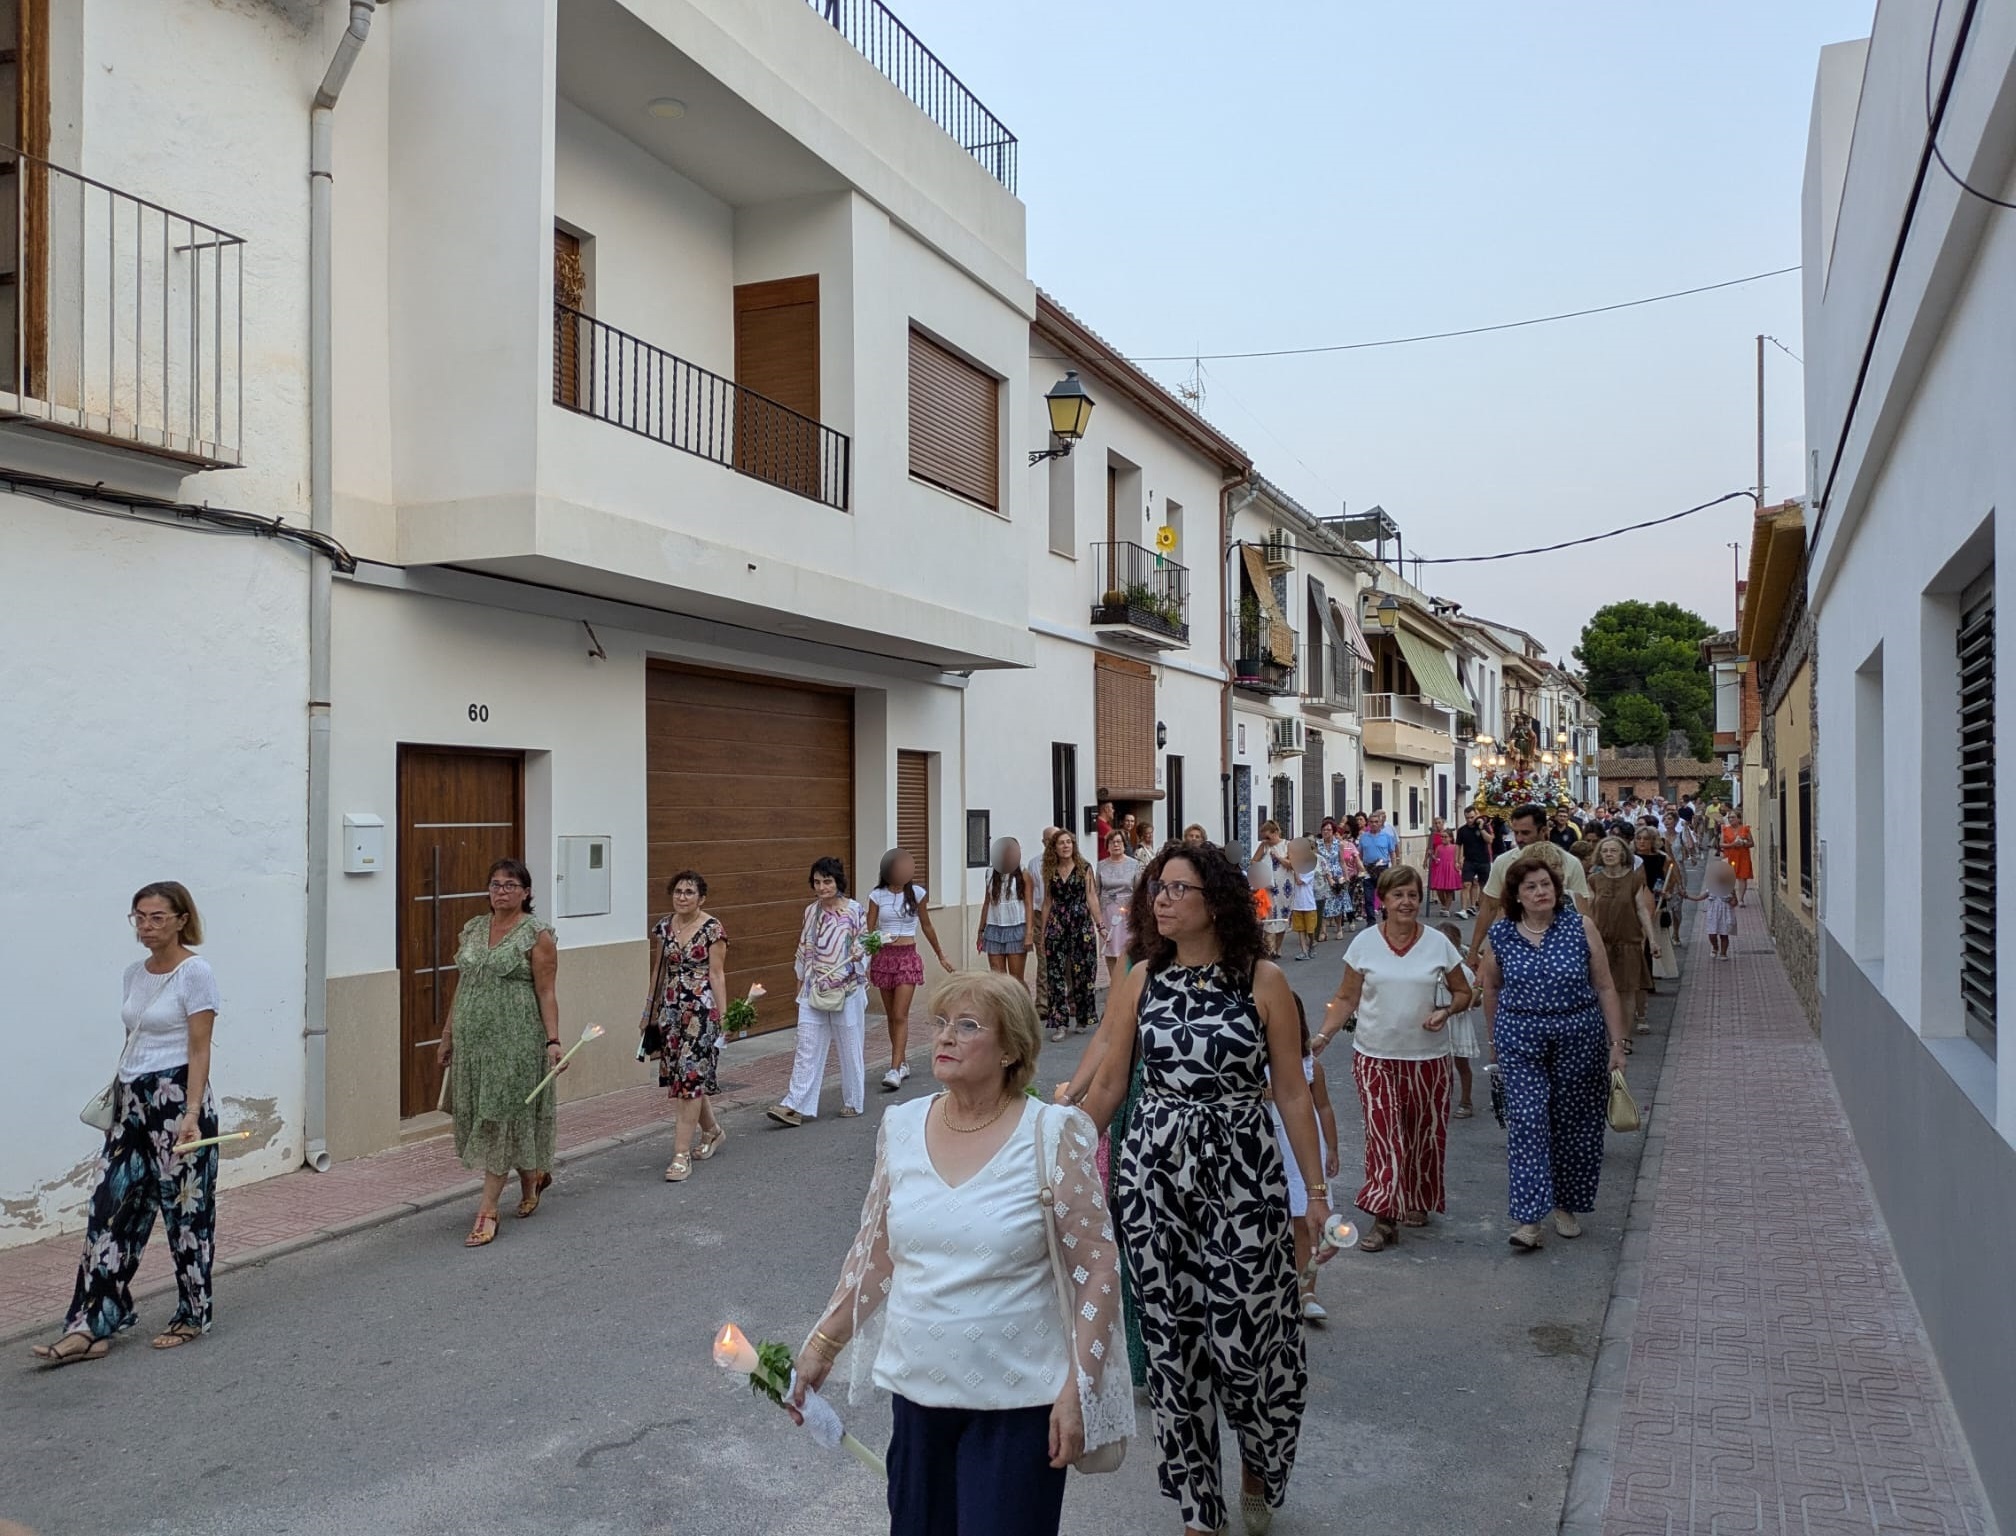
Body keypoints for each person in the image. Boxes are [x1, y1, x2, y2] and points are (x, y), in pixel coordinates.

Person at [790, 973, 1133, 1536]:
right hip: (918, 1396)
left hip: (1019, 1403)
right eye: (942, 1022)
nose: (946, 1036)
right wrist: (822, 1345)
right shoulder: (902, 1125)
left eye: (968, 1025)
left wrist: (1079, 1388)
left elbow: (1098, 1268)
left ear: (1010, 1049)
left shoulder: (1052, 1134)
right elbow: (878, 1253)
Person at [1075, 842, 1326, 1536]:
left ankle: (1257, 1465)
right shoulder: (1141, 978)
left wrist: (1315, 1190)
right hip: (1153, 1179)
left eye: (1177, 888)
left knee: (1246, 1345)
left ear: (1215, 902)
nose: (1161, 899)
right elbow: (1110, 1083)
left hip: (1244, 1179)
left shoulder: (1263, 980)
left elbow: (1292, 1092)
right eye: (1158, 888)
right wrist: (1059, 1159)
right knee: (1173, 1349)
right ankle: (1199, 1512)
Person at [32, 882, 222, 1364]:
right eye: (139, 916)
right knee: (108, 1210)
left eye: (157, 917)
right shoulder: (134, 974)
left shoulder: (195, 972)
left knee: (185, 1214)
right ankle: (91, 1324)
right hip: (132, 1102)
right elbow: (132, 1040)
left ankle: (192, 1314)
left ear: (181, 920)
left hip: (177, 1101)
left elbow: (200, 1048)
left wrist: (192, 1115)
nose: (146, 926)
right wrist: (120, 1103)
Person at [1312, 866, 1472, 1252]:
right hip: (1375, 1057)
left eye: (1413, 895)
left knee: (1423, 1135)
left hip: (1429, 1059)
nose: (1406, 902)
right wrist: (1324, 1035)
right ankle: (1384, 1217)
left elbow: (1464, 992)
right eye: (1398, 895)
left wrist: (1446, 1011)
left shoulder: (1438, 944)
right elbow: (1347, 997)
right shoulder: (1364, 944)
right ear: (1383, 900)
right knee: (1385, 1136)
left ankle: (1417, 1197)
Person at [1477, 855, 1628, 1250]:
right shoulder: (1502, 933)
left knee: (1575, 1125)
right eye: (1531, 887)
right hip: (1520, 1038)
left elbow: (1605, 986)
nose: (1540, 892)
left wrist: (1617, 1044)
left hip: (1579, 1037)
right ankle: (1529, 1220)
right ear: (1517, 896)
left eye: (1545, 884)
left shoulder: (1580, 926)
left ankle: (1565, 1204)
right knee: (1527, 1121)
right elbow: (1491, 988)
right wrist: (1493, 1043)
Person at [440, 859, 563, 1247]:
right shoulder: (474, 928)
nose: (501, 891)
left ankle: (488, 1211)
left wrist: (553, 1041)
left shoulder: (537, 935)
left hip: (515, 1044)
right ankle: (532, 1177)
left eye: (511, 885)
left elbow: (546, 991)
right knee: (487, 1115)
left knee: (498, 1118)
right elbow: (464, 984)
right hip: (473, 1045)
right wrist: (447, 1035)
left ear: (526, 893)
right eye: (495, 884)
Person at [641, 870, 729, 1183]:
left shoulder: (712, 929)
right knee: (683, 1078)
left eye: (689, 892)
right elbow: (658, 970)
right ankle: (713, 1131)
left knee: (689, 1079)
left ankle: (680, 1154)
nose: (682, 897)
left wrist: (725, 1017)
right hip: (671, 1013)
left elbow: (717, 974)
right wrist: (648, 1011)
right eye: (678, 891)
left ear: (701, 898)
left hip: (701, 1013)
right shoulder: (664, 927)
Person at [769, 857, 868, 1127]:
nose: (822, 887)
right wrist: (800, 984)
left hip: (847, 988)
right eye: (817, 882)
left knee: (849, 1046)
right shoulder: (811, 911)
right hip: (814, 987)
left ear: (838, 882)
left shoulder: (854, 910)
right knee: (806, 1045)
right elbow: (804, 948)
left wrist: (860, 954)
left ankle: (853, 1100)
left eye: (827, 881)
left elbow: (864, 943)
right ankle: (794, 1105)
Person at [1268, 995, 1340, 1323]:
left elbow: (1322, 1107)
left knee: (1303, 1220)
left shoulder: (1309, 1066)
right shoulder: (1248, 1064)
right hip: (1264, 1146)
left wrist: (1332, 1148)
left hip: (1299, 1150)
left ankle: (1307, 1288)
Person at [1464, 803, 1594, 970]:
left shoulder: (1570, 863)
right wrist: (1474, 950)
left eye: (1525, 833)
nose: (1519, 839)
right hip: (1512, 950)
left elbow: (1582, 913)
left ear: (1543, 831)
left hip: (1560, 952)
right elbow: (1489, 906)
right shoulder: (1503, 862)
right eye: (1515, 832)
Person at [868, 849, 954, 1093]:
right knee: (891, 1016)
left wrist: (941, 955)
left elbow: (926, 925)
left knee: (900, 1014)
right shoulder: (876, 895)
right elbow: (869, 929)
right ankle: (902, 1061)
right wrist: (866, 955)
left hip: (907, 956)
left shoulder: (917, 893)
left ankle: (894, 1068)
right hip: (884, 957)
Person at [1035, 830, 1104, 1043]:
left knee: (1083, 973)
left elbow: (1091, 897)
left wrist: (1100, 925)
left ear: (1073, 846)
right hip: (1057, 924)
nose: (1065, 846)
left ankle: (1082, 1016)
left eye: (1068, 842)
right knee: (1055, 974)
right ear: (1054, 848)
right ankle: (1060, 1023)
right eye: (1061, 843)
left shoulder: (1084, 868)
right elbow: (1047, 901)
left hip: (1080, 924)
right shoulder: (1049, 869)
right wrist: (1043, 932)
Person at [1589, 838, 1660, 1042]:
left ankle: (1624, 1038)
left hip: (1629, 942)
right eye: (1605, 851)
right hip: (1602, 944)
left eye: (1613, 850)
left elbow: (1641, 909)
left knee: (1627, 992)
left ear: (1622, 855)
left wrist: (1652, 940)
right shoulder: (1594, 880)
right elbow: (1588, 911)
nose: (1609, 854)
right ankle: (1609, 1036)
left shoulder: (1634, 880)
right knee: (1602, 990)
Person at [1435, 921, 1486, 1118]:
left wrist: (1469, 997)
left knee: (1461, 1063)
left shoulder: (1462, 971)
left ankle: (1466, 1101)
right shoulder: (1429, 969)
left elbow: (1476, 1000)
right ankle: (1440, 1100)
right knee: (1439, 1065)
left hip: (1456, 1019)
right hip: (1437, 1018)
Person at [976, 836, 1034, 982]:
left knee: (1016, 979)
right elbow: (987, 903)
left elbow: (1029, 904)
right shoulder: (990, 873)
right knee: (998, 980)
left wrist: (1029, 933)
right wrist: (980, 931)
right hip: (994, 928)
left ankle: (1021, 998)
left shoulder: (1024, 873)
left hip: (1016, 928)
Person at [1096, 831, 1141, 987]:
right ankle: (1114, 983)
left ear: (1124, 845)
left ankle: (1127, 983)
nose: (1115, 845)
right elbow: (1096, 891)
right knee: (1110, 948)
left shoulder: (1134, 864)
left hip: (1127, 912)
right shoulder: (1101, 865)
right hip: (1107, 910)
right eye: (1112, 842)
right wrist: (1097, 917)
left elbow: (1138, 890)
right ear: (1107, 846)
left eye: (1119, 842)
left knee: (1126, 948)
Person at [1248, 819, 1293, 958]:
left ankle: (1278, 947)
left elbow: (1291, 864)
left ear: (1275, 833)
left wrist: (1278, 857)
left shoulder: (1287, 845)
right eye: (1264, 837)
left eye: (1268, 837)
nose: (1266, 840)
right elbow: (1253, 861)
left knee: (1282, 916)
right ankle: (1269, 948)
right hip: (1268, 886)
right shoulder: (1264, 846)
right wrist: (1262, 865)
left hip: (1285, 887)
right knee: (1270, 915)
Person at [1315, 819, 1353, 941]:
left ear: (1333, 831)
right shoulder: (1318, 844)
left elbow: (1342, 861)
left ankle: (1339, 928)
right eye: (1324, 830)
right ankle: (1323, 931)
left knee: (1338, 902)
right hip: (1322, 876)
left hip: (1336, 875)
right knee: (1323, 903)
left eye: (1329, 830)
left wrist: (1346, 877)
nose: (1326, 832)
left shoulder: (1339, 844)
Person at [1357, 810, 1398, 919]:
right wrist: (1360, 869)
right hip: (1368, 869)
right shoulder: (1363, 837)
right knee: (1368, 896)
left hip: (1382, 868)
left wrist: (1393, 869)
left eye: (1376, 822)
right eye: (1371, 822)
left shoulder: (1387, 836)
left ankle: (1386, 913)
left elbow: (1392, 853)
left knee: (1385, 894)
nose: (1374, 824)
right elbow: (1359, 854)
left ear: (1380, 823)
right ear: (1368, 823)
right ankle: (1371, 920)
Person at [1285, 837, 1321, 960]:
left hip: (1309, 904)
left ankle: (1311, 945)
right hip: (1297, 904)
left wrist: (1294, 867)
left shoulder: (1310, 869)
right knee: (1300, 929)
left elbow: (1299, 881)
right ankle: (1304, 951)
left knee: (1310, 930)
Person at [1696, 856, 1739, 959]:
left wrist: (1733, 895)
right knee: (1712, 934)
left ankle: (1723, 953)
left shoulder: (1729, 889)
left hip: (1725, 915)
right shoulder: (1711, 888)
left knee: (1724, 935)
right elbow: (1700, 897)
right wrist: (1687, 896)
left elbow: (1734, 903)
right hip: (1713, 915)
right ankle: (1715, 947)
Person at [1456, 809, 1492, 919]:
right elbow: (1458, 845)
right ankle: (1463, 910)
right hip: (1469, 861)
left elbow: (1489, 840)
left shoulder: (1484, 826)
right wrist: (1457, 860)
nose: (1469, 820)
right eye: (1467, 818)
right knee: (1466, 884)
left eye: (1472, 817)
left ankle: (1481, 909)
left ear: (1476, 816)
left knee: (1483, 886)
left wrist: (1481, 828)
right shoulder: (1462, 830)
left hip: (1483, 860)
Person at [1427, 815, 1462, 917]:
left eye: (1445, 837)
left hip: (1450, 868)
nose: (1443, 838)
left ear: (1450, 838)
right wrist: (1431, 856)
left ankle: (1446, 908)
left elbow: (1458, 857)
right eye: (1442, 837)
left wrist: (1458, 864)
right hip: (1441, 868)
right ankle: (1444, 904)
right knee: (1439, 889)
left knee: (1449, 890)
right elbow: (1436, 857)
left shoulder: (1454, 847)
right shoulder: (1439, 847)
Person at [1720, 817, 1755, 904]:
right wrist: (1732, 844)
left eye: (1733, 817)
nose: (1730, 819)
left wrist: (1744, 843)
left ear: (1738, 819)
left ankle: (1741, 899)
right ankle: (1733, 895)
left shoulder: (1745, 829)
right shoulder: (1725, 829)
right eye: (1729, 818)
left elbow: (1751, 843)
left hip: (1743, 856)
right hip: (1730, 856)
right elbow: (1721, 844)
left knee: (1742, 877)